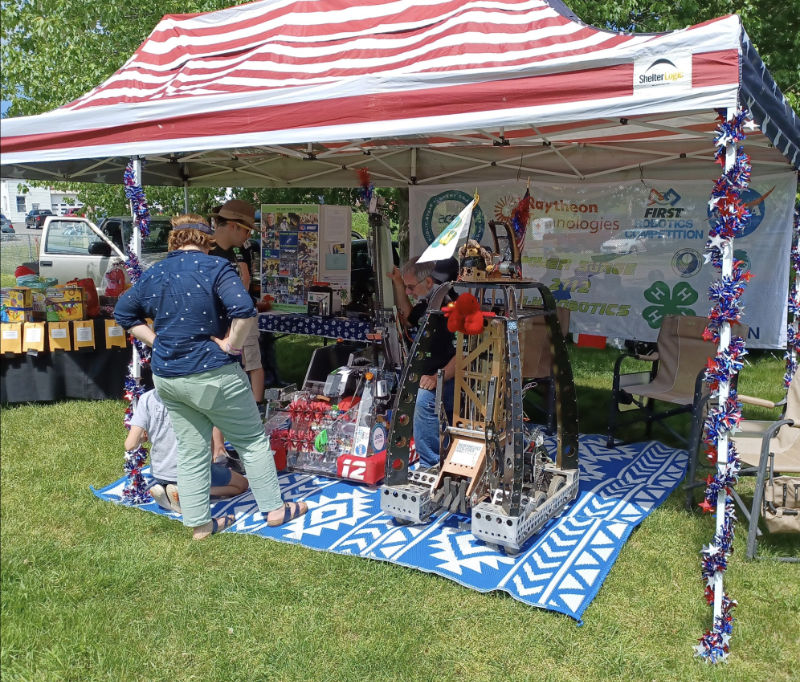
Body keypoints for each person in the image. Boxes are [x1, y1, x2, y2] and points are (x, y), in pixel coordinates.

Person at [114, 213, 307, 540]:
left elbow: (123, 312)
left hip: (169, 378)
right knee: (251, 441)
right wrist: (231, 346)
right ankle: (274, 510)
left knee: (191, 450)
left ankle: (200, 525)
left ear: (175, 238)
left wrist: (157, 342)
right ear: (207, 240)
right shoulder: (216, 267)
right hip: (212, 373)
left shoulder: (157, 271)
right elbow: (245, 310)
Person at [125, 388, 249, 513]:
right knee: (242, 484)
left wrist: (144, 437)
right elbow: (210, 438)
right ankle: (190, 493)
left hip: (159, 471)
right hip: (191, 471)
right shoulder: (196, 395)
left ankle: (168, 490)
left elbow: (130, 445)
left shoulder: (146, 398)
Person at [388, 256, 459, 468]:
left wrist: (440, 377)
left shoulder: (451, 307)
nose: (409, 292)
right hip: (426, 374)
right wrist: (399, 285)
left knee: (423, 401)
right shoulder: (429, 302)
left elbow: (466, 351)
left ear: (428, 282)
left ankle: (431, 465)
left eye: (411, 287)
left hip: (452, 378)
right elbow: (410, 317)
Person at [209, 200, 265, 405]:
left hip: (236, 319)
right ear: (233, 226)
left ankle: (251, 407)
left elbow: (244, 278)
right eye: (246, 231)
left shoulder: (233, 251)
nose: (248, 236)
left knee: (247, 362)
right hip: (218, 324)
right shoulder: (206, 251)